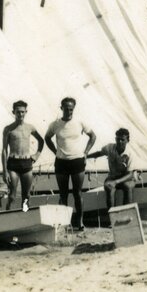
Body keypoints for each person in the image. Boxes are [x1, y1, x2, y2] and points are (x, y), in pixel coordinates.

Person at [45, 97, 96, 231]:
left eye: (71, 109)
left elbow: (93, 136)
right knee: (63, 194)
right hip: (61, 162)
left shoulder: (80, 122)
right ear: (61, 108)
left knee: (77, 193)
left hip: (77, 161)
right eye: (66, 109)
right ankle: (64, 223)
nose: (69, 111)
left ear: (74, 109)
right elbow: (47, 138)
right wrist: (55, 151)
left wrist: (86, 152)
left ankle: (80, 222)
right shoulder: (55, 124)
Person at [1, 100, 44, 211]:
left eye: (22, 112)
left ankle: (24, 217)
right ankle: (7, 218)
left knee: (27, 196)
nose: (20, 114)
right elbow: (4, 150)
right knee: (12, 196)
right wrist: (5, 171)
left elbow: (41, 141)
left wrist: (37, 155)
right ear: (13, 112)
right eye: (18, 112)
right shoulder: (8, 129)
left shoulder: (30, 127)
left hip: (26, 163)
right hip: (13, 164)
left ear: (26, 112)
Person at [86, 128, 137, 209]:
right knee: (109, 187)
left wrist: (116, 182)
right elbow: (99, 153)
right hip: (113, 177)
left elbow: (130, 174)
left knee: (128, 186)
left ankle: (127, 212)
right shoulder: (109, 148)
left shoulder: (131, 153)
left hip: (127, 178)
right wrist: (86, 156)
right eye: (118, 139)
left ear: (127, 140)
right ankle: (112, 214)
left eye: (122, 140)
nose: (119, 141)